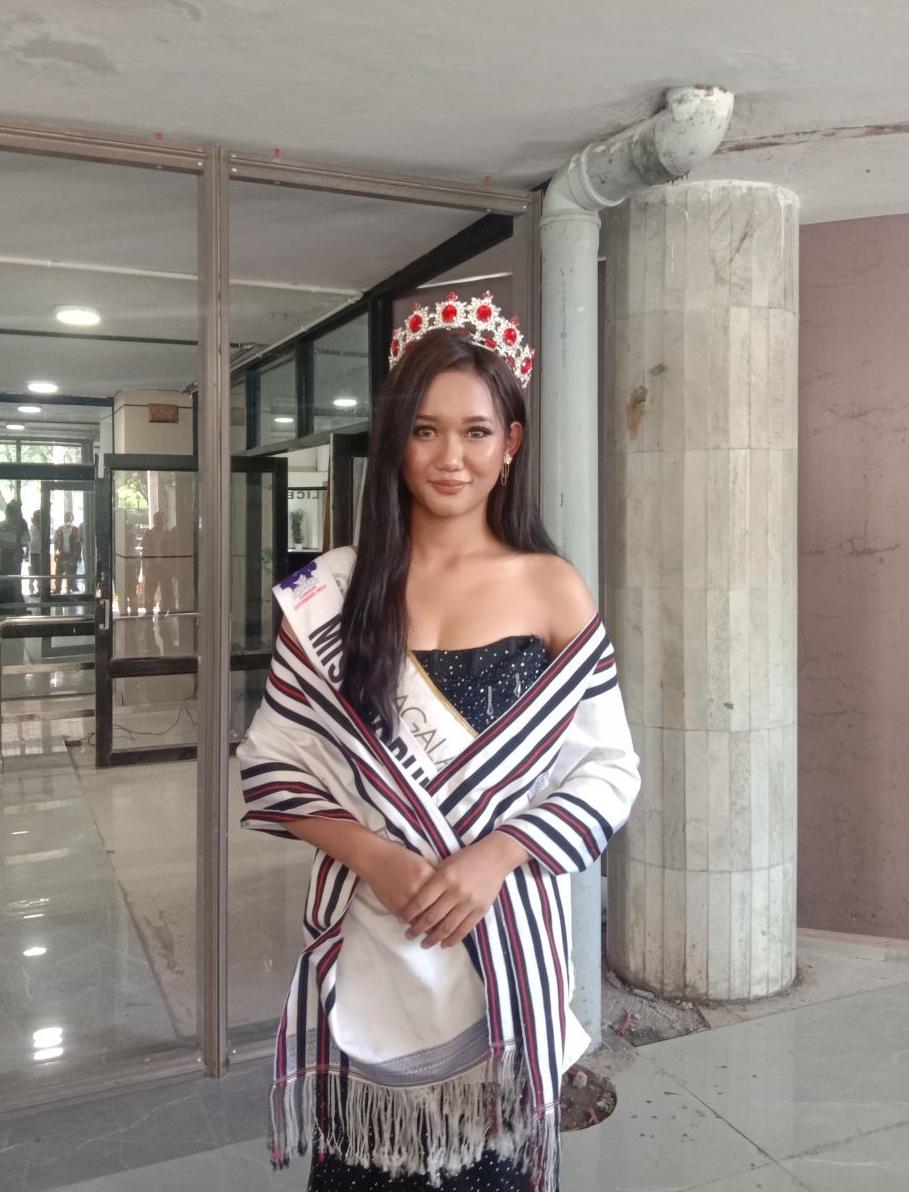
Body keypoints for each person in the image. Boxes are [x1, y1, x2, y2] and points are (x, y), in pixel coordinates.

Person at [237, 293, 642, 1192]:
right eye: (424, 430)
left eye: (474, 430)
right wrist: (374, 855)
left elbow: (610, 766)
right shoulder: (335, 594)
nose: (450, 456)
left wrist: (499, 852)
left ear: (512, 444)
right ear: (395, 443)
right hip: (373, 944)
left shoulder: (552, 587)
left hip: (501, 951)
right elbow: (272, 759)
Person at [141, 510, 172, 615]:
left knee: (166, 588)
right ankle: (148, 608)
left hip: (165, 565)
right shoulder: (148, 534)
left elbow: (173, 550)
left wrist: (172, 566)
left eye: (161, 520)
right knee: (149, 588)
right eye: (157, 520)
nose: (159, 522)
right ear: (154, 521)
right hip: (152, 565)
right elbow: (144, 551)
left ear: (165, 521)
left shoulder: (168, 534)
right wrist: (144, 566)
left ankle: (164, 608)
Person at [53, 512, 81, 594]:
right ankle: (58, 589)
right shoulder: (59, 529)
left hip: (72, 554)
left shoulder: (76, 529)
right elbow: (55, 542)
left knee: (70, 573)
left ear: (72, 519)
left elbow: (79, 543)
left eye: (69, 517)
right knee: (58, 572)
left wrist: (78, 554)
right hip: (62, 553)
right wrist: (55, 552)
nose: (67, 519)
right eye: (66, 517)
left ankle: (69, 589)